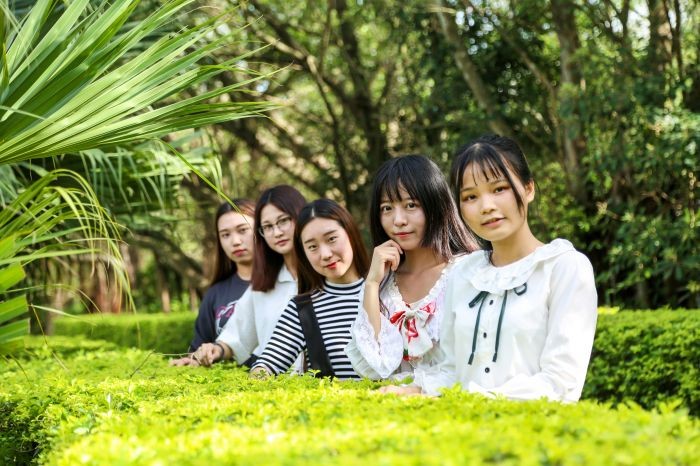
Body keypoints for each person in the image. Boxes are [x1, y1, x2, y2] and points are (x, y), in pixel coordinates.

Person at [419, 134, 597, 401]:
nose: (486, 206)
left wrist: (477, 400)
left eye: (499, 189)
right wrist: (415, 391)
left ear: (528, 189)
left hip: (533, 425)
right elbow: (451, 370)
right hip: (459, 426)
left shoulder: (564, 268)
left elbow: (561, 383)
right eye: (470, 196)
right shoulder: (462, 274)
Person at [344, 155, 476, 393]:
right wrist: (372, 284)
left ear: (435, 204)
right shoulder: (383, 286)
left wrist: (416, 391)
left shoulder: (467, 272)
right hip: (392, 408)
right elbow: (375, 369)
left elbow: (477, 364)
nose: (398, 220)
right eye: (387, 208)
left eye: (411, 205)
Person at [250, 199, 370, 379]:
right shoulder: (303, 309)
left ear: (350, 233)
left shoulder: (389, 292)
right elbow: (268, 363)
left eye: (332, 239)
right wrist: (257, 379)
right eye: (312, 247)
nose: (325, 254)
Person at [193, 185, 307, 367]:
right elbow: (236, 336)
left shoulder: (326, 274)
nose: (277, 232)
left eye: (283, 221)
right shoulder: (263, 285)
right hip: (276, 382)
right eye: (267, 227)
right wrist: (216, 350)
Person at [170, 199, 255, 367]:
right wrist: (193, 360)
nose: (235, 241)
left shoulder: (286, 283)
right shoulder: (216, 293)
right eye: (225, 235)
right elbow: (199, 351)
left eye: (243, 230)